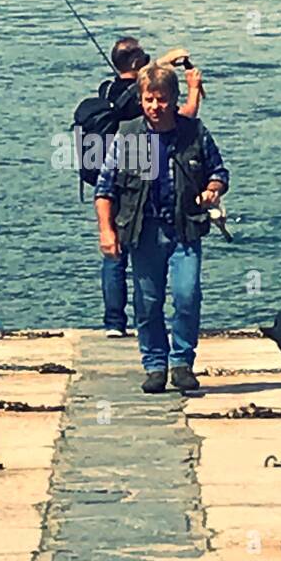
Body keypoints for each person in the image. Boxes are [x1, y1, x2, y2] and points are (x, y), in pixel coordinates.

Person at [94, 62, 229, 392]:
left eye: (162, 99)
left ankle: (182, 362)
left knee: (187, 295)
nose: (156, 106)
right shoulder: (128, 136)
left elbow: (219, 172)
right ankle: (155, 364)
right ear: (141, 100)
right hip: (144, 233)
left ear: (174, 98)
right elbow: (105, 188)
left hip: (184, 230)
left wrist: (212, 190)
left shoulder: (194, 133)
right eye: (149, 99)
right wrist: (106, 231)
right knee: (148, 301)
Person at [98, 37, 203, 338]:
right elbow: (184, 116)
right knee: (129, 253)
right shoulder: (139, 100)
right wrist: (192, 88)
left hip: (123, 181)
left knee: (115, 252)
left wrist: (163, 62)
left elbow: (149, 80)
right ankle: (123, 324)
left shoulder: (109, 90)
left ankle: (114, 321)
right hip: (136, 176)